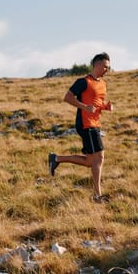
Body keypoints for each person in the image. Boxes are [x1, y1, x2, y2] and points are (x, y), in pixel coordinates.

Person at [49, 52, 113, 203]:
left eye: (108, 68)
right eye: (105, 67)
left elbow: (96, 103)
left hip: (95, 123)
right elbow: (67, 97)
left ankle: (57, 158)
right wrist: (84, 107)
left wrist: (105, 107)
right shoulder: (83, 82)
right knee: (99, 158)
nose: (107, 70)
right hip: (86, 123)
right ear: (96, 64)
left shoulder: (102, 84)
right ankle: (97, 196)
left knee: (90, 161)